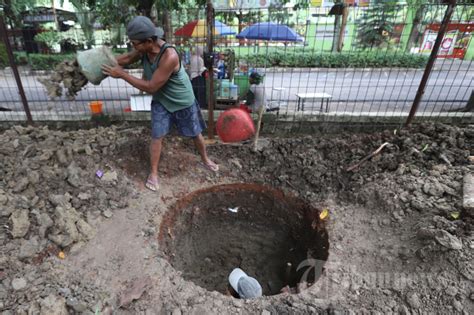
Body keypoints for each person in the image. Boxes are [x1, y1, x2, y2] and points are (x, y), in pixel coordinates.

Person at [101, 16, 218, 192]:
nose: (133, 47)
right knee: (157, 136)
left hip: (182, 101)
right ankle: (154, 173)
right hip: (162, 101)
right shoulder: (143, 50)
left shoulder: (169, 55)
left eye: (135, 43)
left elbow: (151, 86)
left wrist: (122, 75)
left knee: (195, 134)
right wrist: (101, 63)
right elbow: (125, 59)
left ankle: (205, 159)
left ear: (149, 41)